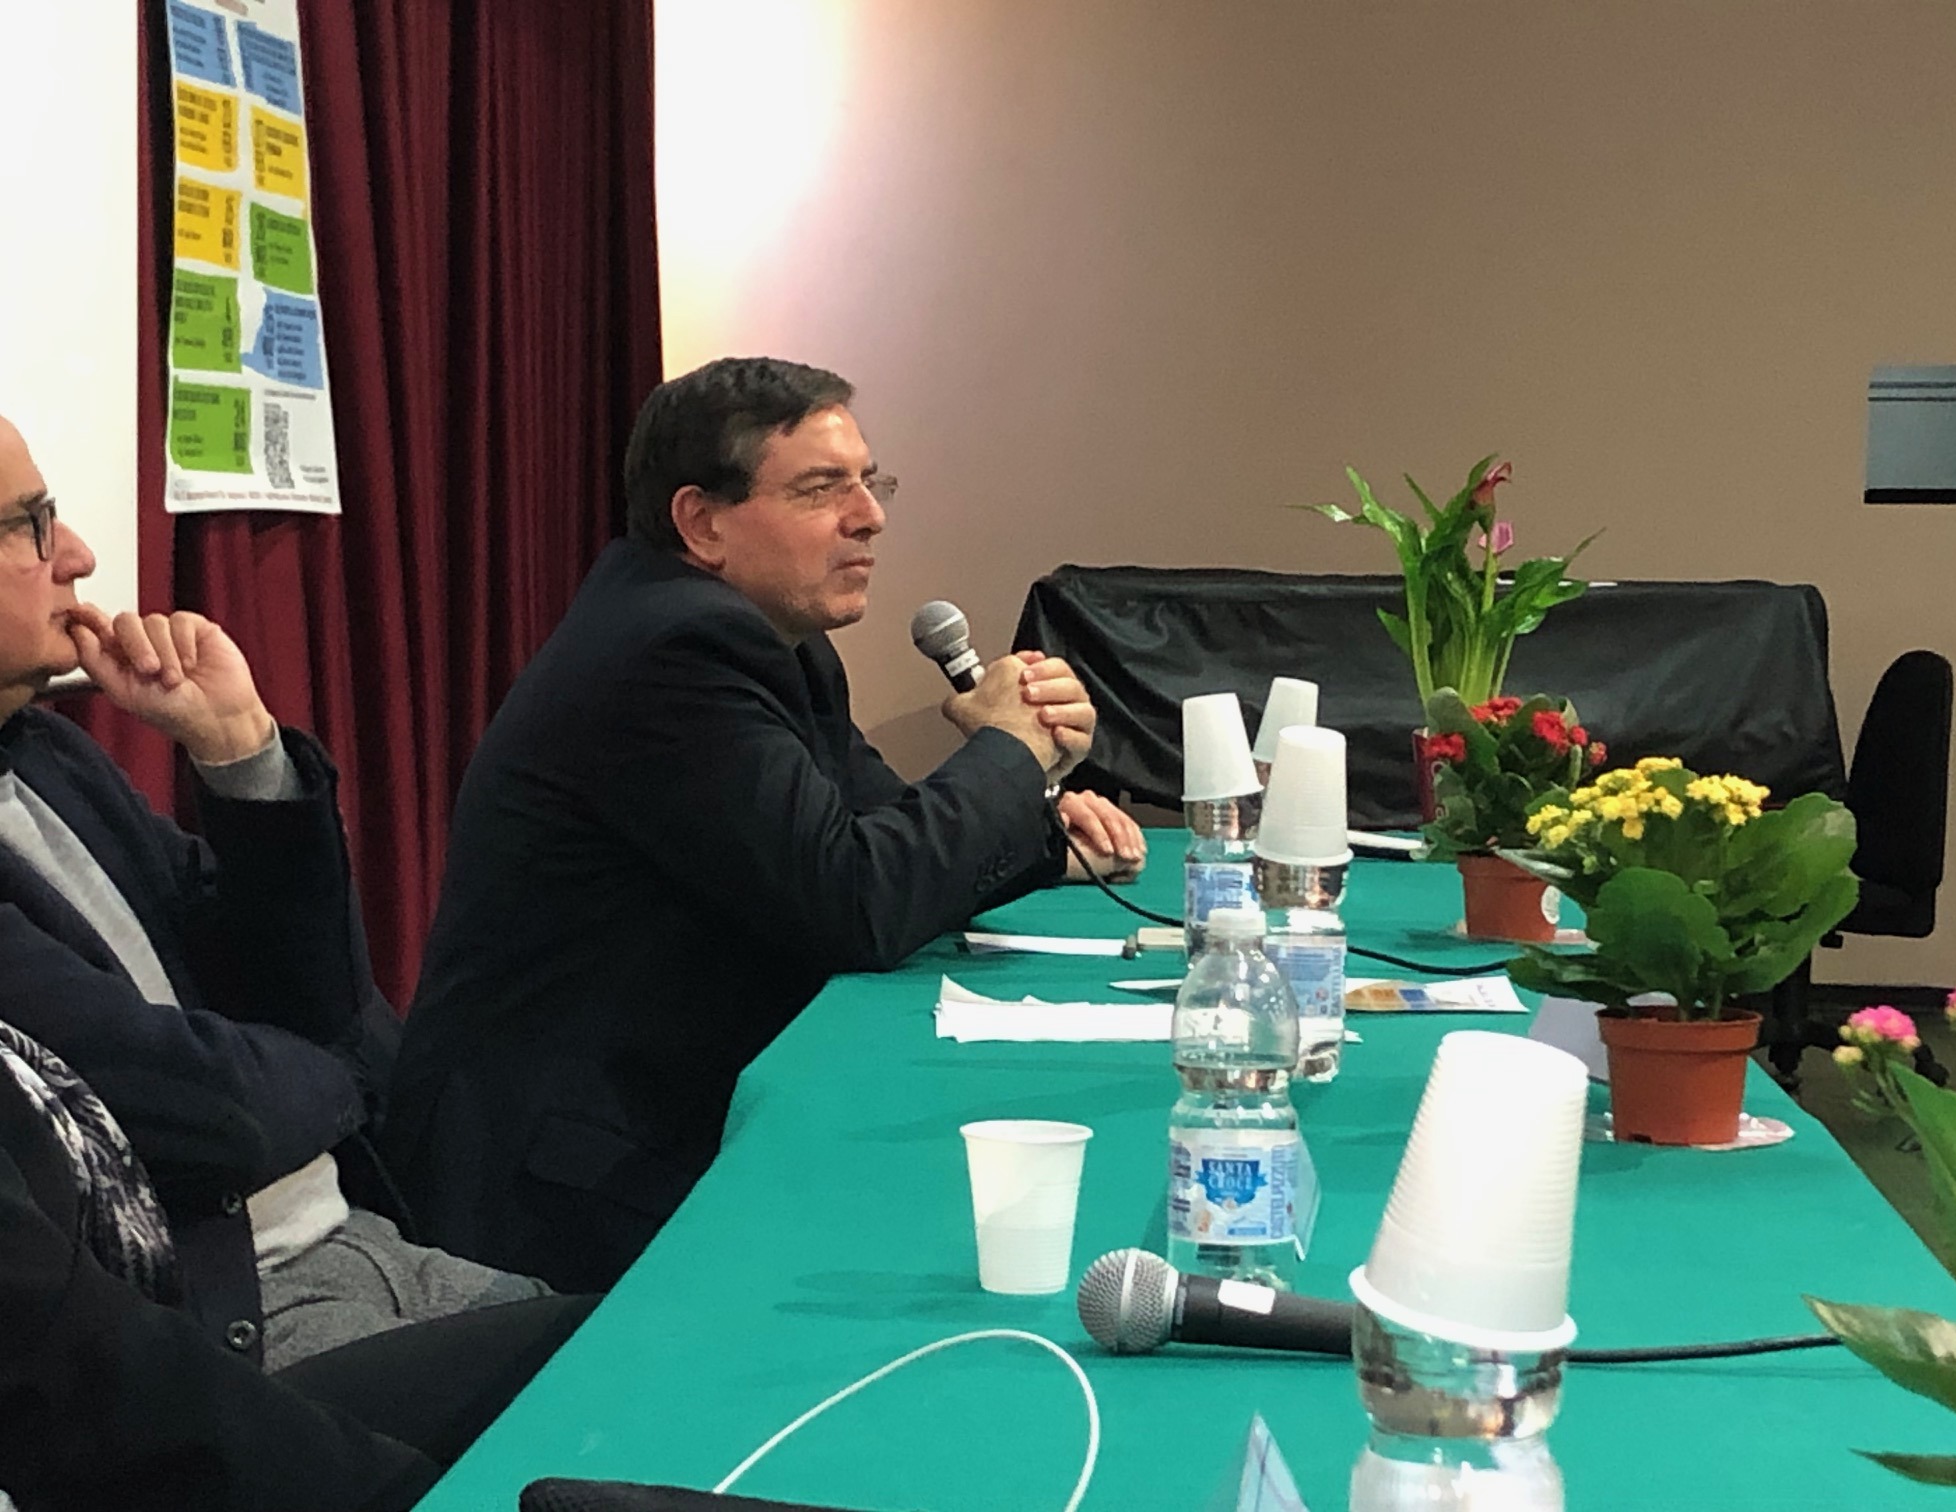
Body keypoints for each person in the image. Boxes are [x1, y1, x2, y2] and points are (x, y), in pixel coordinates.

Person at [385, 356, 1144, 1291]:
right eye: (822, 489)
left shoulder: (777, 642)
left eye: (870, 483)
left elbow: (874, 837)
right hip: (562, 1179)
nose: (868, 517)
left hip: (644, 1119)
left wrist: (1039, 837)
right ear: (701, 522)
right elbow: (857, 903)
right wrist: (1006, 751)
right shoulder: (676, 651)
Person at [0, 413, 550, 1371]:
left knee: (672, 1349)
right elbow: (201, 1104)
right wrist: (357, 1067)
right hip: (232, 1314)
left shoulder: (50, 751)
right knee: (612, 1383)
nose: (79, 555)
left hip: (357, 1228)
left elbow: (306, 983)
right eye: (31, 523)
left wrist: (240, 751)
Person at [0, 1017, 594, 1511]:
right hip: (199, 1329)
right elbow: (228, 1113)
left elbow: (333, 1017)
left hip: (150, 1345)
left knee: (597, 1345)